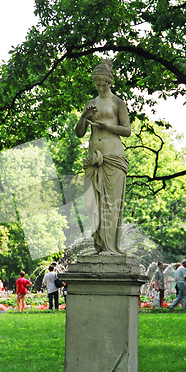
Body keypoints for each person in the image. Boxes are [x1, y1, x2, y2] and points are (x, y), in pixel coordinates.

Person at [75, 59, 131, 254]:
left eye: (103, 84)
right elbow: (80, 133)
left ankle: (111, 247)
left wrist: (107, 126)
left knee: (111, 203)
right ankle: (99, 245)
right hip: (93, 159)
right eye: (97, 84)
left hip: (113, 157)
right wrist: (84, 117)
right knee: (94, 205)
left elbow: (127, 130)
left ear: (110, 82)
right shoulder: (91, 104)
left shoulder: (118, 103)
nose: (100, 88)